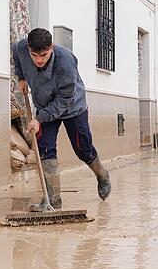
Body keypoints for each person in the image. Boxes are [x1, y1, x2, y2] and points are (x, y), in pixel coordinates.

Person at [13, 28, 111, 211]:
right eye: (35, 55)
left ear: (52, 47)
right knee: (45, 149)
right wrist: (21, 77)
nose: (39, 60)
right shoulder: (21, 48)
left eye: (44, 55)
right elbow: (16, 54)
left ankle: (102, 174)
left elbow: (64, 100)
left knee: (83, 148)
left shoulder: (65, 62)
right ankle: (53, 202)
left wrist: (39, 119)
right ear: (29, 49)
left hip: (72, 106)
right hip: (44, 104)